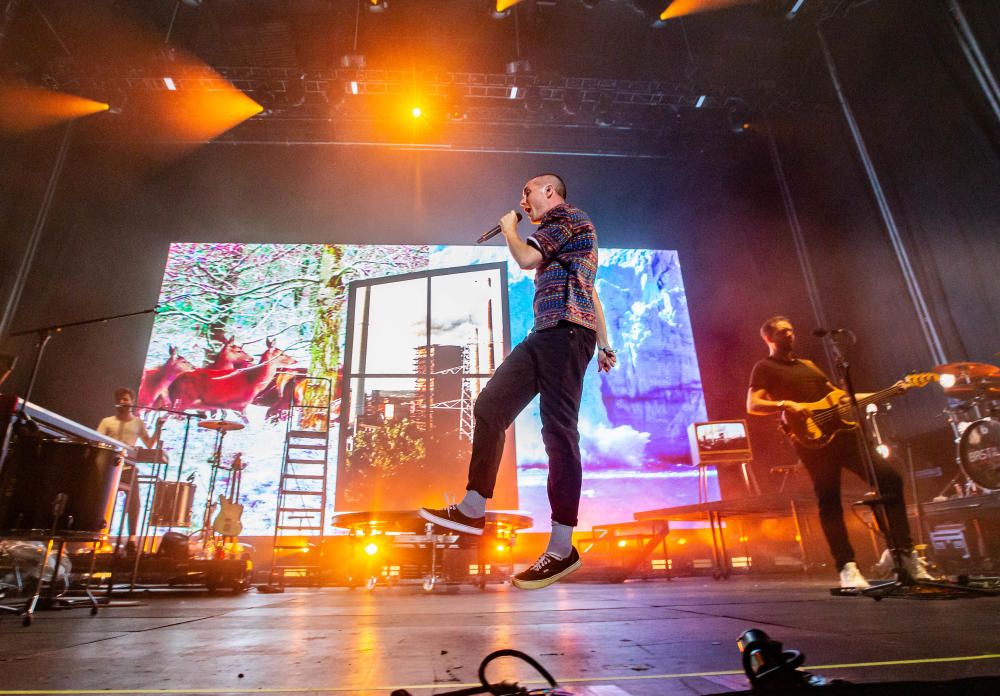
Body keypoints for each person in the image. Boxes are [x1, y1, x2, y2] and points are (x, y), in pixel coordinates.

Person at [420, 173, 617, 590]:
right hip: (547, 333)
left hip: (566, 334)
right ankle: (474, 506)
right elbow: (591, 291)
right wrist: (604, 343)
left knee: (558, 432)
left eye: (527, 192)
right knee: (490, 406)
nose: (523, 201)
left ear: (550, 191)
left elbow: (527, 260)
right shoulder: (557, 233)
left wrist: (510, 229)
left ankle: (562, 547)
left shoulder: (568, 218)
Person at [746, 316, 933, 588]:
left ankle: (904, 554)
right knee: (829, 499)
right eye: (784, 331)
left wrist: (892, 391)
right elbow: (753, 403)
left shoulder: (809, 366)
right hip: (812, 441)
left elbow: (841, 398)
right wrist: (787, 404)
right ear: (769, 338)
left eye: (792, 330)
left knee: (890, 478)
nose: (791, 335)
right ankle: (847, 566)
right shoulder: (764, 367)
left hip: (846, 436)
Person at [97, 387, 165, 554]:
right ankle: (100, 537)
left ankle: (132, 539)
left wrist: (157, 429)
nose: (123, 402)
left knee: (134, 500)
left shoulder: (137, 422)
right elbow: (98, 441)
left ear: (132, 402)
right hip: (111, 466)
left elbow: (149, 444)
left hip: (129, 466)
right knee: (106, 501)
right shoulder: (107, 422)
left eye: (126, 399)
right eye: (120, 399)